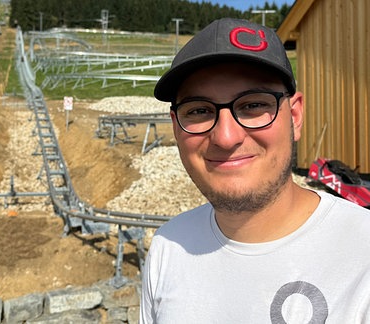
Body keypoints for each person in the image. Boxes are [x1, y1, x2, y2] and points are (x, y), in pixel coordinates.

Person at [140, 18, 370, 323]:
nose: (226, 137)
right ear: (175, 126)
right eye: (199, 110)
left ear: (296, 117)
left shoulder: (362, 251)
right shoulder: (167, 248)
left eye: (252, 106)